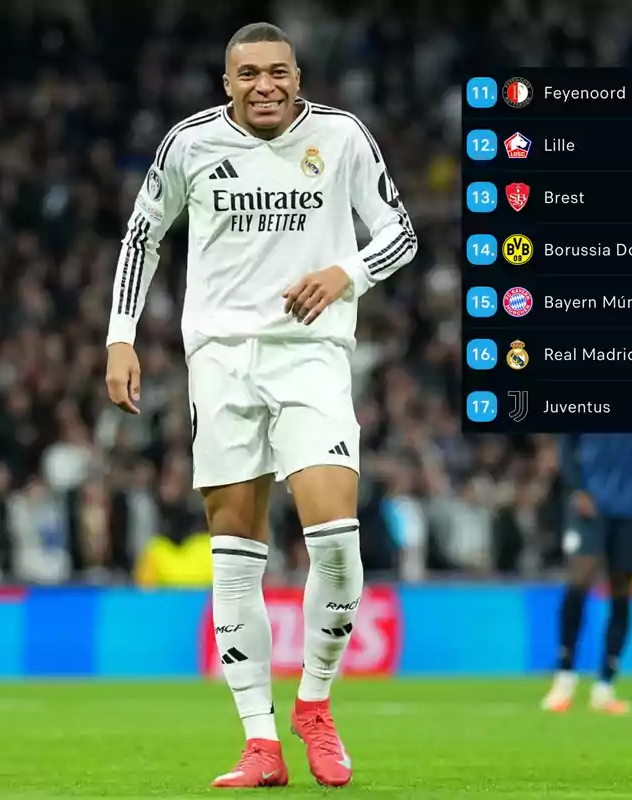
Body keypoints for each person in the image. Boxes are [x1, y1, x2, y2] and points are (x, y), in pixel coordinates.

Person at [104, 22, 416, 789]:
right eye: (248, 74)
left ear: (298, 75)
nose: (265, 85)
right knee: (236, 558)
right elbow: (143, 234)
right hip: (220, 363)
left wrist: (345, 273)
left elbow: (401, 234)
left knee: (336, 537)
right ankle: (260, 743)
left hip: (310, 355)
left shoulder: (341, 138)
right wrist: (120, 336)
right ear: (227, 82)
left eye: (278, 71)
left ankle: (314, 705)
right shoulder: (190, 143)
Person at [541, 434, 632, 714]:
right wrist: (577, 489)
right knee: (578, 581)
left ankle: (605, 686)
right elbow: (566, 445)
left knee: (622, 590)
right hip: (590, 505)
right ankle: (563, 678)